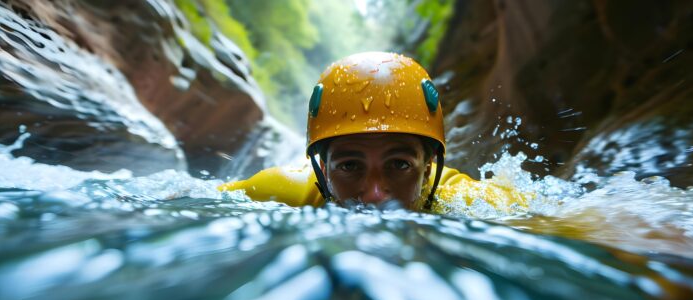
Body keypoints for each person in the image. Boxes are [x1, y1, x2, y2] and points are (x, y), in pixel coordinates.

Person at [218, 52, 528, 213]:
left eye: (399, 165)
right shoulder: (281, 190)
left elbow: (568, 218)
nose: (375, 195)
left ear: (429, 169)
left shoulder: (468, 199)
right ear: (323, 171)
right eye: (350, 166)